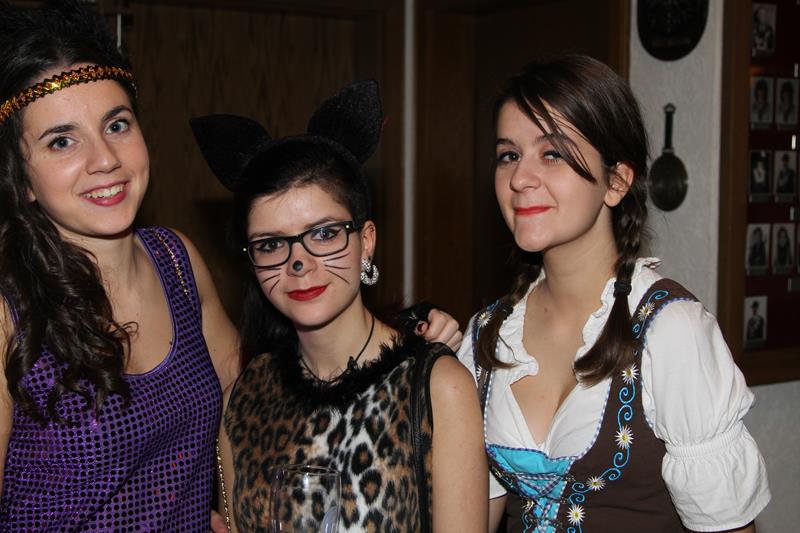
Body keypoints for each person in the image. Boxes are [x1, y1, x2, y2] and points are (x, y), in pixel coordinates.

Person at [0, 1, 462, 529]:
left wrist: (399, 345)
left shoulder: (175, 262)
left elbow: (258, 391)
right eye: (62, 141)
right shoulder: (10, 308)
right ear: (21, 177)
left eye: (117, 125)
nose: (104, 158)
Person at [457, 55, 770, 532]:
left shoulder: (671, 331)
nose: (520, 178)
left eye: (552, 153)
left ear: (617, 181)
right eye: (509, 155)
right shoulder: (488, 337)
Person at [192, 81, 488, 532]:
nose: (298, 262)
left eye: (324, 234)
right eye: (271, 244)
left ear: (365, 241)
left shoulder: (437, 388)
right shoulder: (243, 399)